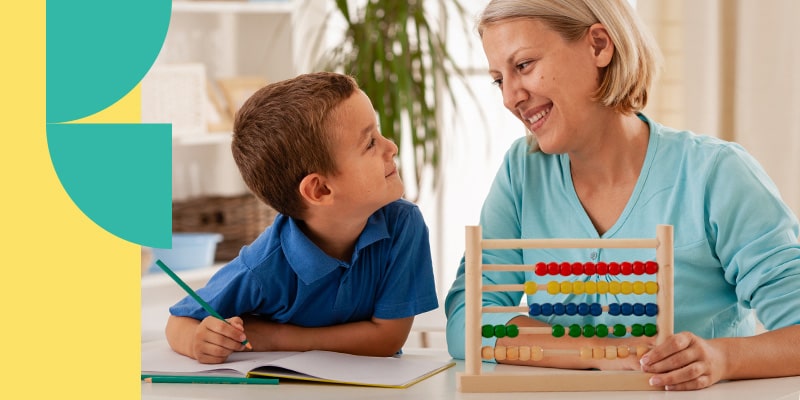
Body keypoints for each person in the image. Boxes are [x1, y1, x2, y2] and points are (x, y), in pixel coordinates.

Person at [444, 0, 800, 391]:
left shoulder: (716, 174)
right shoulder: (522, 172)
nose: (510, 97)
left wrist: (720, 358)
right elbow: (467, 319)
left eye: (524, 66)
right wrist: (598, 353)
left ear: (598, 45)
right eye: (499, 79)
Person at [166, 72, 438, 364]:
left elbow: (387, 339)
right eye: (370, 143)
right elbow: (178, 324)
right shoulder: (263, 266)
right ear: (320, 189)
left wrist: (276, 338)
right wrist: (199, 341)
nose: (391, 147)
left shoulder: (403, 225)